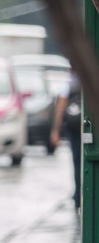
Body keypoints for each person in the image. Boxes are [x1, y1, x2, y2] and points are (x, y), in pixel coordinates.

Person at [50, 71, 82, 210]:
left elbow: (61, 105)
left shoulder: (71, 80)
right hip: (81, 127)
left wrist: (56, 130)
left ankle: (78, 195)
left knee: (77, 160)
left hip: (75, 128)